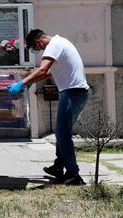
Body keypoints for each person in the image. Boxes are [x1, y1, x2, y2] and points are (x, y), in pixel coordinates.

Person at [7, 29, 90, 185]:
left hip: (73, 93)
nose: (39, 51)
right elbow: (48, 73)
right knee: (62, 132)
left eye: (36, 49)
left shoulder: (54, 45)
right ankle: (59, 167)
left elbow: (43, 69)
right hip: (75, 92)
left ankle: (73, 174)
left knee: (62, 134)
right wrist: (29, 82)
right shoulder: (61, 42)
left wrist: (22, 83)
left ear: (38, 42)